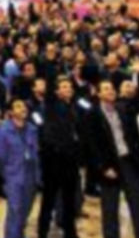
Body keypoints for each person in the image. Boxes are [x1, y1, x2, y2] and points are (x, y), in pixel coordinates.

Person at [87, 75, 139, 238]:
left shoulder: (123, 108)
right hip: (109, 165)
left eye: (112, 88)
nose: (110, 91)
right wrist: (103, 167)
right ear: (98, 94)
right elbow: (92, 145)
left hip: (129, 161)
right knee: (110, 208)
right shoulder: (93, 114)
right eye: (106, 89)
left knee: (138, 204)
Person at [37, 73, 82, 238]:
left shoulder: (74, 106)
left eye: (69, 86)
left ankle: (70, 231)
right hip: (53, 159)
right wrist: (54, 64)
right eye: (64, 87)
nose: (68, 89)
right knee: (49, 198)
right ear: (56, 91)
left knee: (69, 198)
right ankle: (42, 231)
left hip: (70, 159)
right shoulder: (52, 105)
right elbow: (49, 88)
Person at [0, 99, 39, 238]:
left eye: (24, 106)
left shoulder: (32, 129)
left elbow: (36, 153)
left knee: (25, 210)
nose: (23, 108)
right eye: (18, 106)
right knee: (15, 211)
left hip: (30, 176)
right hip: (13, 176)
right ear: (10, 112)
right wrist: (7, 174)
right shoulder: (2, 131)